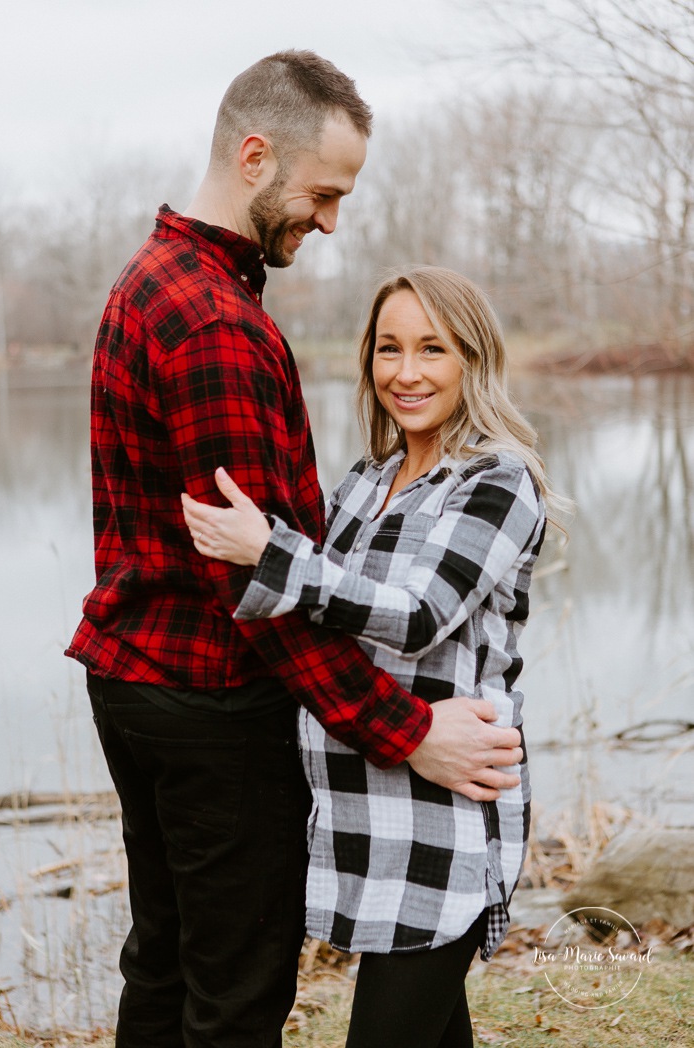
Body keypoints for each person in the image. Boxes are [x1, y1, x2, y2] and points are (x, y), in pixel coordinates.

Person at [65, 53, 524, 1048]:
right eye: (323, 193)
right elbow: (260, 596)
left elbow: (281, 570)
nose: (327, 221)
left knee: (168, 960)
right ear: (256, 155)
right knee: (233, 994)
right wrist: (407, 728)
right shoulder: (212, 323)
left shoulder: (152, 281)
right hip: (212, 705)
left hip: (136, 682)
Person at [182, 265, 565, 1048]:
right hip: (361, 812)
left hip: (445, 818)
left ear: (473, 359)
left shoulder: (499, 479)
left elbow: (418, 616)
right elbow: (318, 620)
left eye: (432, 349)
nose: (406, 372)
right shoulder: (365, 481)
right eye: (388, 349)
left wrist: (271, 553)